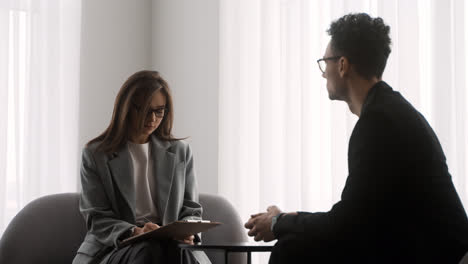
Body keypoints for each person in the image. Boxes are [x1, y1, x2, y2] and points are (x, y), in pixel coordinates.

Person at [244, 13, 468, 263]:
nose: (323, 73)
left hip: (436, 255)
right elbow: (359, 215)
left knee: (293, 249)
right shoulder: (390, 110)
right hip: (422, 247)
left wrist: (280, 222)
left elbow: (348, 225)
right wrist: (286, 220)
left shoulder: (379, 123)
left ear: (342, 65)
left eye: (324, 62)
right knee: (297, 244)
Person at [72, 70, 211, 264]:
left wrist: (188, 231)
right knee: (148, 249)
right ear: (126, 108)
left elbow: (192, 209)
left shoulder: (180, 151)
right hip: (116, 247)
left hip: (171, 245)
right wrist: (135, 231)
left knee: (178, 253)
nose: (152, 119)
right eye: (145, 110)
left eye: (159, 111)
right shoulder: (96, 154)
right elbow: (97, 217)